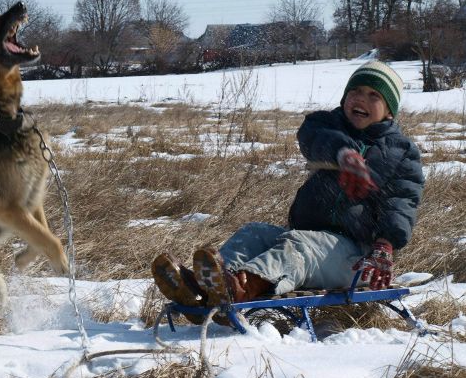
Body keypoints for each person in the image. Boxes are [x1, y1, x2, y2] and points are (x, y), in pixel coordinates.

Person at [152, 60, 425, 318]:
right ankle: (203, 289)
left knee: (298, 247)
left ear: (390, 109)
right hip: (307, 234)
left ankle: (242, 290)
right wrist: (343, 154)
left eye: (373, 95)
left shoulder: (402, 152)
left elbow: (403, 202)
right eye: (355, 91)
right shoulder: (330, 126)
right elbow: (312, 135)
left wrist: (385, 244)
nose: (361, 99)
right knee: (254, 233)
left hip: (357, 257)